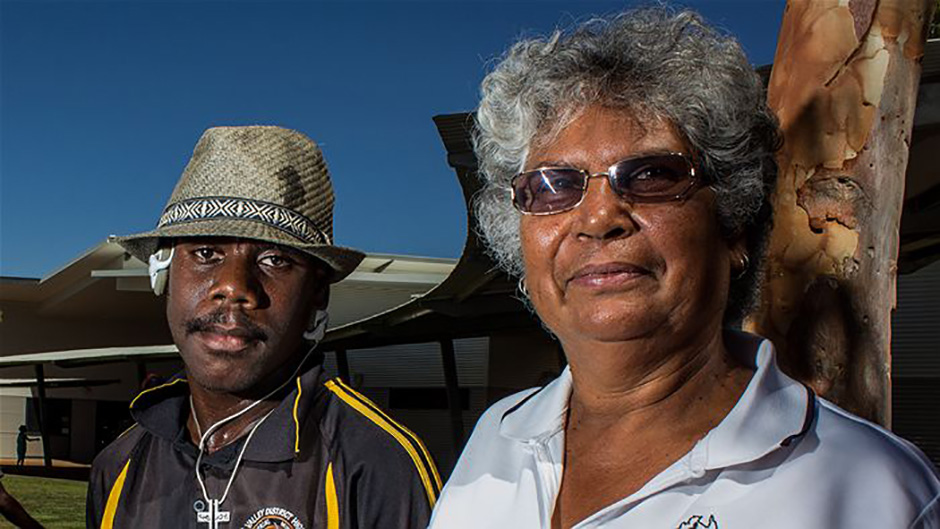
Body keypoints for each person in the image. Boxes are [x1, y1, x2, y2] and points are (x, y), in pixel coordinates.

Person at [430, 8, 940, 529]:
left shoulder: (873, 490)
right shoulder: (496, 437)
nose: (599, 217)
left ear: (734, 226)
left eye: (652, 174)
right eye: (554, 185)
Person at [87, 126, 440, 528]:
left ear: (317, 295)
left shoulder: (375, 462)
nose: (235, 288)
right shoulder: (118, 467)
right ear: (164, 272)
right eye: (205, 252)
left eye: (275, 260)